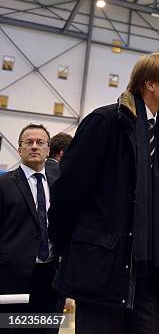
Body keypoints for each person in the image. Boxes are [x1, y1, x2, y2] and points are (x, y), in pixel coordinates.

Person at [49, 52, 159, 334]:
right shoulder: (105, 122)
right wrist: (64, 244)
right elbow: (69, 188)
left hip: (145, 268)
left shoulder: (158, 133)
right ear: (149, 84)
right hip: (102, 267)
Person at [0, 124, 64, 334]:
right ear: (19, 149)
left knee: (46, 329)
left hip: (51, 279)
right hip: (13, 280)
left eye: (40, 142)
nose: (34, 147)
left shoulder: (59, 184)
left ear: (48, 149)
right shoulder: (4, 184)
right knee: (14, 328)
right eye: (29, 142)